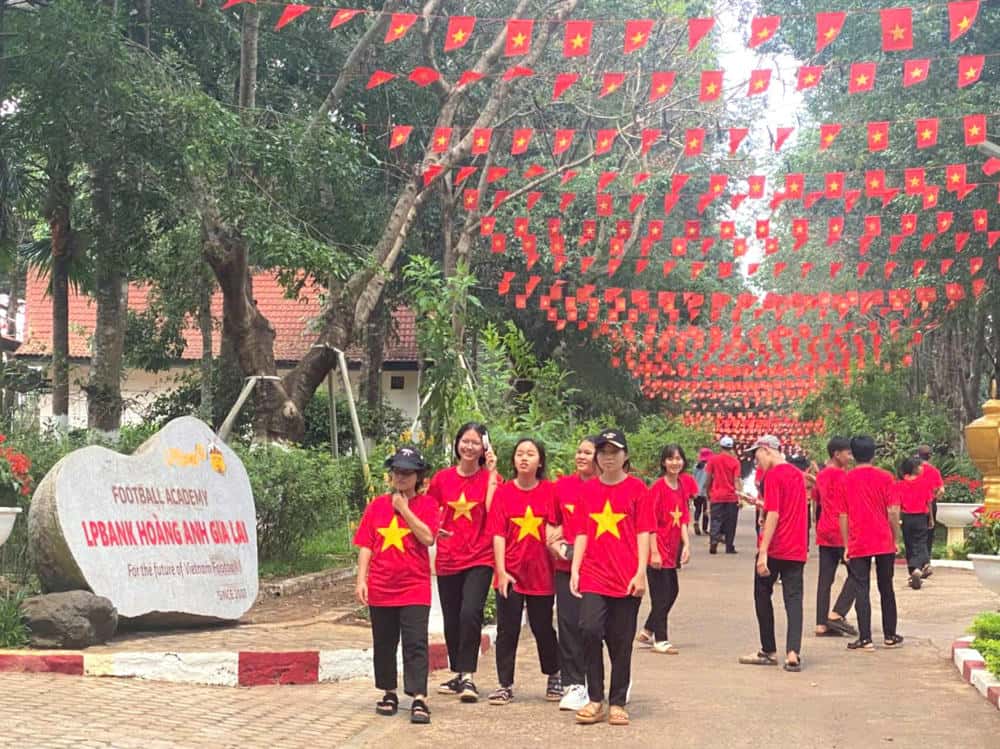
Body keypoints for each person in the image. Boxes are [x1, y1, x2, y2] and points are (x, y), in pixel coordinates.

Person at [571, 429, 654, 726]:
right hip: (594, 574)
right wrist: (575, 568)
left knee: (621, 642)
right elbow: (581, 531)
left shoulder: (637, 490)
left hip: (626, 576)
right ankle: (595, 698)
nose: (608, 458)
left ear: (625, 456)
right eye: (603, 452)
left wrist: (641, 571)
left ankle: (617, 701)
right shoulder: (588, 490)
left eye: (614, 452)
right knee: (589, 630)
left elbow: (644, 532)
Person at [354, 447, 439, 724]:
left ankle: (419, 698)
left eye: (407, 473)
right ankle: (389, 692)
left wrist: (404, 509)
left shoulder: (427, 505)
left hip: (414, 586)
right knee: (384, 643)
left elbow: (428, 538)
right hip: (381, 586)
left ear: (418, 477)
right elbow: (366, 544)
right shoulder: (377, 505)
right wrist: (361, 580)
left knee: (416, 643)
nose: (401, 477)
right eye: (397, 472)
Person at [428, 422, 500, 702]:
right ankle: (458, 672)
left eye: (475, 443)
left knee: (471, 613)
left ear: (485, 448)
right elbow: (428, 508)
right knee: (452, 618)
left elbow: (495, 511)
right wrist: (435, 528)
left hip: (480, 556)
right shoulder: (442, 479)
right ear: (457, 443)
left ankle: (468, 676)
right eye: (465, 441)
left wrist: (492, 474)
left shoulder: (490, 478)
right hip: (448, 557)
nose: (469, 447)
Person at [487, 438, 561, 706]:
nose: (524, 458)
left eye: (531, 454)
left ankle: (554, 674)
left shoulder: (551, 492)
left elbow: (560, 525)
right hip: (510, 574)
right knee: (508, 630)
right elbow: (497, 534)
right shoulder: (503, 493)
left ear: (540, 461)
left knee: (543, 628)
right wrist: (501, 571)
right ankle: (504, 684)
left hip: (542, 573)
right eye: (520, 454)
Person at [739, 436, 808, 672]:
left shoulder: (774, 475)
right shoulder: (797, 475)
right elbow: (785, 507)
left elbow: (776, 514)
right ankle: (793, 652)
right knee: (794, 599)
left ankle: (768, 649)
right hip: (797, 546)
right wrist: (761, 505)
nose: (756, 461)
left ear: (766, 450)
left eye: (756, 455)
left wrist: (763, 552)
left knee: (761, 593)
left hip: (778, 545)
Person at [547, 437, 598, 712]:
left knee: (594, 628)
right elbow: (551, 522)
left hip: (599, 570)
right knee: (568, 625)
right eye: (578, 451)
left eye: (588, 452)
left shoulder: (606, 488)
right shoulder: (562, 487)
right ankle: (573, 684)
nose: (581, 456)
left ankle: (599, 681)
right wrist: (553, 544)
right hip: (565, 568)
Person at [840, 436, 904, 651]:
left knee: (861, 588)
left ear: (852, 455)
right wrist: (894, 537)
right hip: (883, 539)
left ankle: (865, 638)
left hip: (859, 540)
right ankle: (890, 635)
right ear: (873, 455)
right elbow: (893, 511)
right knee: (886, 587)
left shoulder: (846, 479)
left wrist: (846, 544)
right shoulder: (886, 477)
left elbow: (843, 515)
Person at [636, 444, 691, 654]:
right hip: (657, 548)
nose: (675, 462)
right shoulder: (658, 488)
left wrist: (686, 544)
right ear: (663, 462)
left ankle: (648, 628)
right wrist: (654, 552)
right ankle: (661, 639)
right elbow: (648, 521)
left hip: (672, 548)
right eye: (670, 459)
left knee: (672, 591)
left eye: (678, 458)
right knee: (661, 595)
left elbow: (683, 517)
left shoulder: (681, 486)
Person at [812, 437, 858, 637]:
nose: (850, 457)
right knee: (858, 574)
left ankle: (821, 623)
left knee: (825, 578)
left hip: (824, 529)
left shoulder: (821, 475)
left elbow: (816, 501)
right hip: (842, 530)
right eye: (847, 453)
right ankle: (837, 613)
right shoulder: (843, 476)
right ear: (836, 454)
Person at [894, 457, 934, 590]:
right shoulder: (924, 483)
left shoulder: (899, 484)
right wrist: (931, 518)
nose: (923, 468)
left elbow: (898, 505)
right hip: (920, 517)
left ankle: (913, 573)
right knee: (921, 543)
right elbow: (929, 502)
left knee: (909, 544)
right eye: (920, 466)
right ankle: (919, 569)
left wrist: (899, 519)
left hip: (906, 518)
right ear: (915, 468)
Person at [705, 436, 742, 554]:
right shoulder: (735, 462)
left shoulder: (713, 460)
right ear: (731, 447)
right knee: (731, 522)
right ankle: (729, 546)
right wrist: (740, 497)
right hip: (731, 496)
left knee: (716, 519)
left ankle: (714, 541)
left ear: (720, 446)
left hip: (717, 495)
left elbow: (708, 478)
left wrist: (708, 492)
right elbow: (736, 480)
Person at [916, 444, 944, 576]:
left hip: (916, 504)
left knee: (917, 535)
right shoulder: (934, 471)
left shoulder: (915, 470)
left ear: (918, 455)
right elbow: (941, 490)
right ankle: (927, 562)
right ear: (930, 456)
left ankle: (919, 563)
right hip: (931, 504)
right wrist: (933, 497)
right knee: (929, 533)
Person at [692, 448, 713, 536]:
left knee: (697, 509)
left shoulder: (695, 466)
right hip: (705, 492)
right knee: (706, 510)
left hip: (696, 492)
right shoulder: (709, 466)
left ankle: (696, 521)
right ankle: (704, 529)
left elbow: (693, 478)